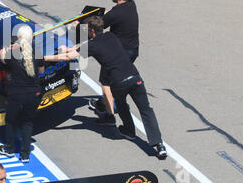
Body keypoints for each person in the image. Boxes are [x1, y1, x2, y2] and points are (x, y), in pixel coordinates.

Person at [45, 16, 167, 159]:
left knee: (122, 105)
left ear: (91, 30)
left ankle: (129, 130)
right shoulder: (111, 36)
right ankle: (159, 145)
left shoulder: (92, 46)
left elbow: (68, 57)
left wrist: (45, 58)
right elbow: (81, 47)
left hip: (118, 82)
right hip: (135, 77)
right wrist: (70, 48)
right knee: (146, 110)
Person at [89, 0, 140, 125]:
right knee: (115, 79)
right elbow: (111, 13)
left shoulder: (116, 13)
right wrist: (98, 12)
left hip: (118, 54)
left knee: (106, 82)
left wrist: (81, 22)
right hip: (133, 50)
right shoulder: (131, 4)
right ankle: (101, 103)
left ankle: (109, 116)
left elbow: (99, 25)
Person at [0, 25, 45, 163]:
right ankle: (25, 154)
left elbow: (2, 59)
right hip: (33, 93)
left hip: (16, 93)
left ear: (18, 38)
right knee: (27, 122)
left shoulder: (12, 53)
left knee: (11, 120)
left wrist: (5, 49)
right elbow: (41, 71)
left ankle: (9, 148)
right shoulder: (38, 53)